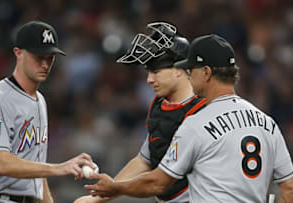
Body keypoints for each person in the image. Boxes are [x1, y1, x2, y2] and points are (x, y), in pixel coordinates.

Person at [84, 34, 293, 202]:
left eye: (191, 69)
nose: (188, 74)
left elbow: (158, 184)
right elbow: (291, 188)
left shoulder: (197, 123)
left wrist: (116, 187)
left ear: (206, 72)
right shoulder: (266, 122)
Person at [75, 22, 206, 203]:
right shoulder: (160, 105)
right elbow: (144, 160)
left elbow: (158, 183)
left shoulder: (206, 110)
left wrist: (107, 193)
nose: (149, 79)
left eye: (156, 72)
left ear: (178, 70)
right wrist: (99, 197)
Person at [0, 20, 96, 203]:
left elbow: (36, 171)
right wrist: (59, 168)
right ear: (18, 53)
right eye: (38, 57)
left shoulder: (40, 101)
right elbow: (1, 163)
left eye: (49, 57)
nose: (45, 64)